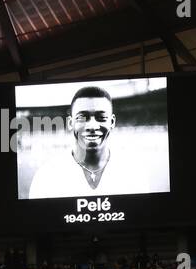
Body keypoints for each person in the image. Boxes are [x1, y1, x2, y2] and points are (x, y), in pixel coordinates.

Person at [25, 85, 165, 199]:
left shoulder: (134, 173)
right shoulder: (46, 176)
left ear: (112, 122)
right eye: (82, 117)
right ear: (70, 123)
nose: (92, 126)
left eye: (101, 117)